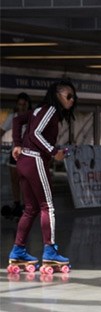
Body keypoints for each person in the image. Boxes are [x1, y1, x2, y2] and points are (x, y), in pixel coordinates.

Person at [7, 80, 76, 272]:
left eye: (73, 97)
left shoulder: (39, 110)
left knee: (30, 208)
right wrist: (54, 151)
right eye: (68, 96)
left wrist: (17, 143)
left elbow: (17, 120)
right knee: (48, 206)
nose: (71, 100)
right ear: (57, 94)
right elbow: (36, 134)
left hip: (23, 161)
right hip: (35, 159)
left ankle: (18, 249)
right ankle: (50, 251)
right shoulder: (51, 110)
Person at [1, 92, 32, 220]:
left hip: (28, 154)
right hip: (15, 152)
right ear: (17, 105)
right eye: (20, 104)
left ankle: (26, 206)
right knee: (14, 180)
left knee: (25, 181)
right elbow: (1, 130)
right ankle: (17, 204)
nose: (22, 107)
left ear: (28, 105)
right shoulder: (12, 117)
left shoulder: (33, 118)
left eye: (24, 105)